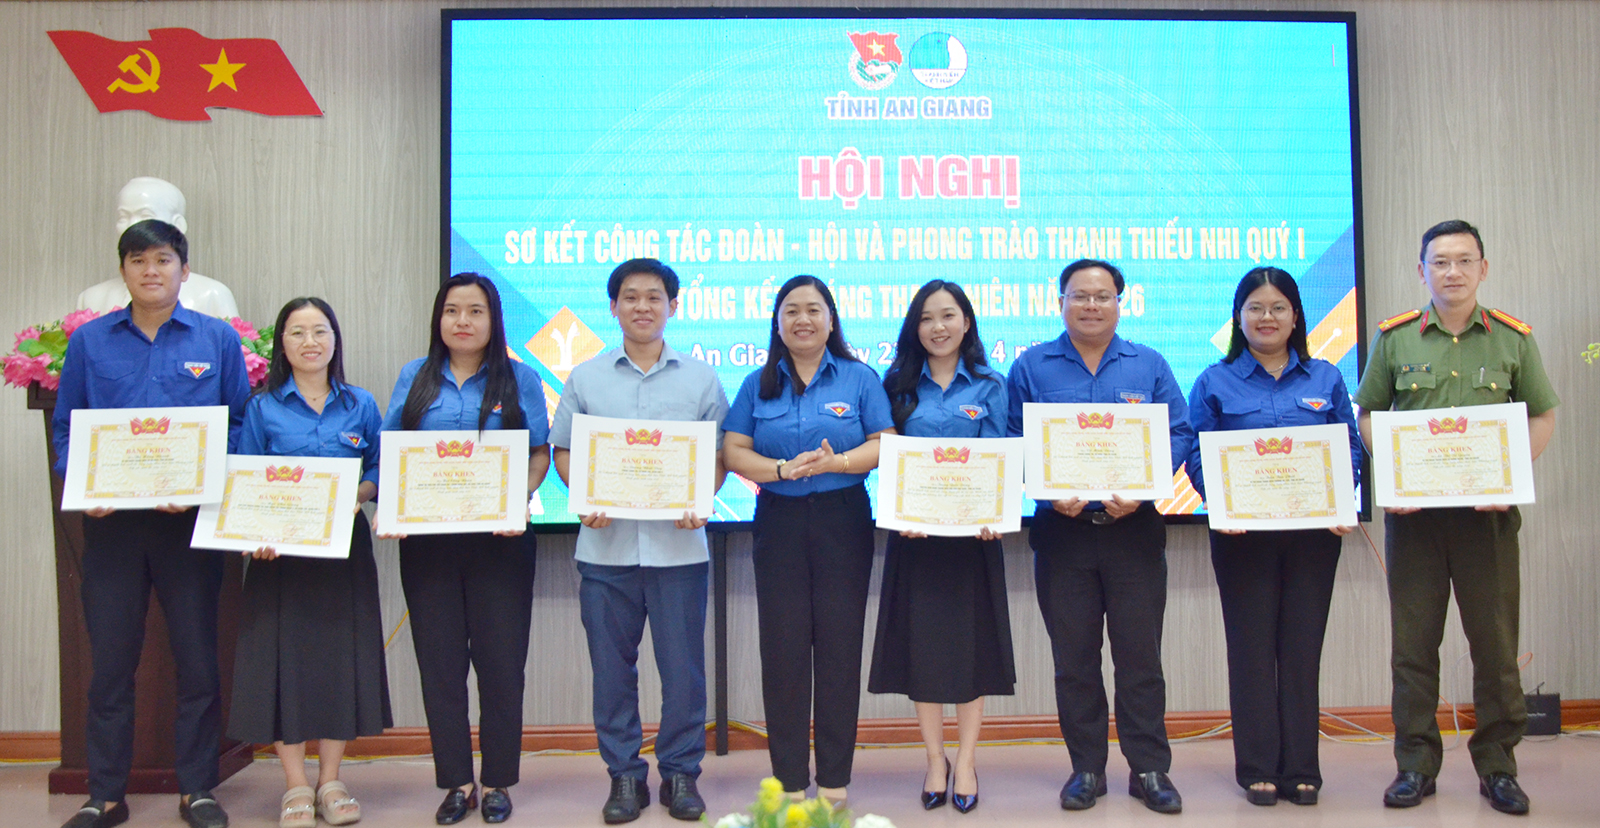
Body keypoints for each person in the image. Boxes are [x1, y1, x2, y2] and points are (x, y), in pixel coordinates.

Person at [1354, 221, 1558, 815]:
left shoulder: (1512, 339)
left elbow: (1541, 416)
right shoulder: (1395, 339)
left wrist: (1509, 479)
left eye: (1464, 260)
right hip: (1416, 521)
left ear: (1483, 268)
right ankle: (1415, 765)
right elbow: (1367, 415)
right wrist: (1394, 478)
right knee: (1414, 648)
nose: (1452, 271)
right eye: (1440, 261)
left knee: (1495, 647)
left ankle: (1498, 767)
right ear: (1422, 271)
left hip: (1485, 521)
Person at [51, 219, 250, 828]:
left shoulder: (216, 339)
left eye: (162, 260)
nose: (150, 271)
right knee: (111, 664)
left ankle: (198, 789)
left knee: (198, 661)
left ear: (184, 270)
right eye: (138, 261)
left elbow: (240, 426)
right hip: (112, 527)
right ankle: (105, 794)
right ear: (123, 272)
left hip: (188, 526)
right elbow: (67, 429)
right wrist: (84, 486)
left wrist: (202, 482)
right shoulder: (90, 342)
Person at [1006, 258, 1194, 815]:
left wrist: (1145, 488)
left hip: (1133, 531)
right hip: (1062, 535)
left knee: (1140, 659)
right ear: (1060, 301)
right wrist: (1045, 492)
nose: (1091, 305)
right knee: (1074, 661)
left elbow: (1179, 431)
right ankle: (1086, 768)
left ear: (1119, 302)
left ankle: (1149, 768)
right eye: (1080, 296)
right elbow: (1013, 439)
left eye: (1102, 296)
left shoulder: (1149, 364)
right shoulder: (1032, 366)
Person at [549, 259, 730, 825]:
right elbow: (563, 450)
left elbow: (719, 455)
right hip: (605, 553)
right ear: (613, 307)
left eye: (654, 297)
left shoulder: (701, 378)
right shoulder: (585, 377)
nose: (642, 307)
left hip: (679, 552)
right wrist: (584, 496)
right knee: (611, 673)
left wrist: (702, 497)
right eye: (630, 297)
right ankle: (624, 775)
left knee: (683, 674)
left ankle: (680, 774)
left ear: (673, 306)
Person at [1185, 268, 1361, 807]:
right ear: (1238, 318)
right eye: (1256, 308)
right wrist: (1220, 502)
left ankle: (1303, 768)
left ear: (1296, 316)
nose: (1267, 317)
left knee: (1302, 651)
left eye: (1279, 307)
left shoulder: (1326, 377)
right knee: (1252, 652)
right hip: (1243, 537)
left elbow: (1349, 447)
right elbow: (1196, 453)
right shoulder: (1214, 381)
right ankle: (1258, 767)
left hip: (1313, 536)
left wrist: (1342, 496)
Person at [380, 273, 551, 825]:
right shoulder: (415, 376)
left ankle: (497, 781)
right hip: (427, 546)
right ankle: (456, 781)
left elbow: (539, 454)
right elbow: (392, 451)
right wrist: (391, 504)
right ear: (439, 318)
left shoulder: (519, 379)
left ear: (493, 320)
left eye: (475, 311)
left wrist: (519, 499)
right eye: (452, 310)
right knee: (440, 666)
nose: (462, 321)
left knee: (501, 667)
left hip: (500, 545)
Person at [722, 275, 894, 806]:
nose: (803, 319)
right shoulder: (757, 383)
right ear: (777, 323)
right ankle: (791, 779)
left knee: (840, 648)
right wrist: (780, 469)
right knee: (784, 650)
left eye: (814, 309)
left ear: (831, 319)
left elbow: (885, 443)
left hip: (844, 518)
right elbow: (733, 450)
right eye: (791, 310)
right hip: (779, 519)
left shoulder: (860, 378)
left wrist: (837, 463)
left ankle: (836, 778)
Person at [228, 298, 392, 828]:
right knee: (283, 664)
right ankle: (296, 783)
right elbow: (246, 477)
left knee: (340, 661)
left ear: (335, 340)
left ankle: (331, 781)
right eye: (297, 332)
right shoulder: (262, 408)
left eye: (320, 331)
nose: (310, 342)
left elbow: (381, 466)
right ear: (282, 344)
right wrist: (256, 534)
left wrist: (359, 491)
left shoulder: (360, 403)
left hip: (344, 551)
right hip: (280, 557)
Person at [867, 280, 1015, 814]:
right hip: (917, 540)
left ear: (966, 322)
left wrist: (995, 514)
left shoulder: (991, 385)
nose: (938, 327)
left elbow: (1001, 457)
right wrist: (900, 511)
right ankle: (935, 760)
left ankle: (967, 761)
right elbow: (886, 457)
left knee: (972, 654)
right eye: (927, 318)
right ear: (915, 327)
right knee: (924, 655)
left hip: (974, 541)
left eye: (948, 316)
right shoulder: (896, 385)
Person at [78, 177, 239, 318]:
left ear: (178, 224)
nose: (132, 226)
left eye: (145, 215)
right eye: (123, 217)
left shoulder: (212, 295)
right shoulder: (91, 299)